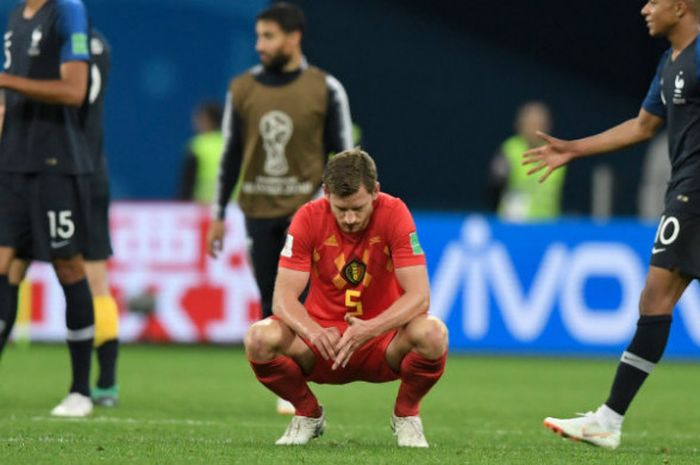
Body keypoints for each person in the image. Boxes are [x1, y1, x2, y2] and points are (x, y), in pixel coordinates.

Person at [523, 0, 700, 449]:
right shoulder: (670, 61)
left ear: (680, 8)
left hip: (693, 195)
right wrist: (574, 149)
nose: (645, 8)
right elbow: (643, 126)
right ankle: (608, 419)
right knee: (656, 298)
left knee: (656, 296)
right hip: (685, 190)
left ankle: (608, 419)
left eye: (655, 1)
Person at [243, 148, 448, 447]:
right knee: (258, 339)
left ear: (375, 192)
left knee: (433, 333)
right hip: (321, 342)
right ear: (326, 194)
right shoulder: (307, 218)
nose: (350, 218)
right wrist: (312, 331)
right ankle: (308, 414)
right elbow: (282, 299)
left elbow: (419, 297)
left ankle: (406, 415)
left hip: (382, 343)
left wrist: (370, 328)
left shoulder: (395, 213)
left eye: (358, 208)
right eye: (341, 209)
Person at [206, 2, 353, 414]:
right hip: (256, 207)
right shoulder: (242, 89)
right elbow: (230, 155)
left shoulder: (325, 88)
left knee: (305, 295)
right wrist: (218, 214)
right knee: (269, 293)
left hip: (307, 210)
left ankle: (305, 375)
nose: (260, 45)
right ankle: (287, 380)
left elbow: (343, 155)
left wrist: (338, 208)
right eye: (257, 37)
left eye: (268, 36)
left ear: (294, 37)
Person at [4, 29, 120, 408]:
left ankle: (92, 386)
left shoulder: (51, 48)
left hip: (54, 168)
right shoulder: (100, 44)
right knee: (90, 276)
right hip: (85, 169)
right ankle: (104, 384)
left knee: (17, 268)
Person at [0, 0, 95, 417]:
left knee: (68, 266)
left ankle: (81, 391)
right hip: (13, 163)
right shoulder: (16, 15)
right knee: (5, 266)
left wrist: (6, 80)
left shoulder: (68, 10)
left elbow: (74, 90)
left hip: (55, 163)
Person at [488, 101, 565, 221]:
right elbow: (494, 189)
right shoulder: (509, 150)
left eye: (539, 124)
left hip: (548, 224)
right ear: (520, 125)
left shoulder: (559, 152)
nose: (535, 129)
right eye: (530, 124)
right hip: (514, 224)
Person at [178, 101, 225, 203]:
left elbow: (187, 186)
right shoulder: (235, 146)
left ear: (207, 120)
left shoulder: (198, 146)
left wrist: (180, 207)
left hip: (203, 210)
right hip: (232, 211)